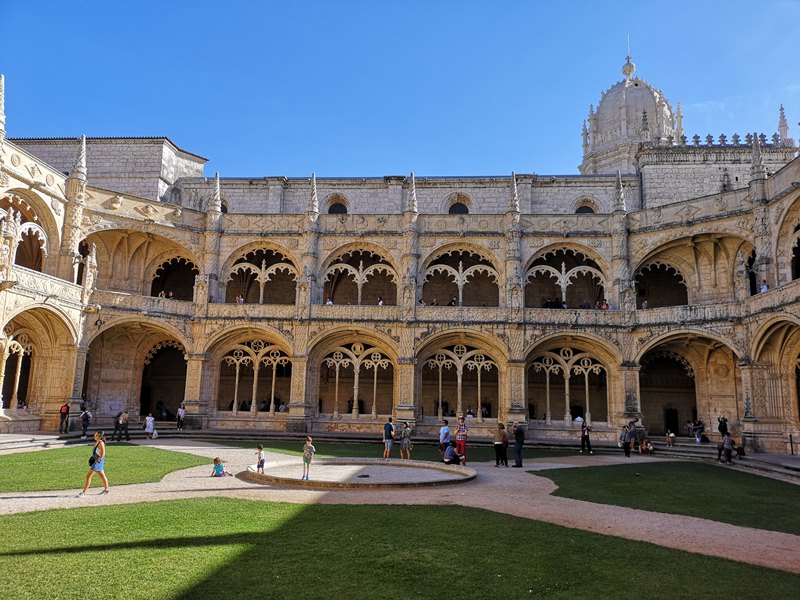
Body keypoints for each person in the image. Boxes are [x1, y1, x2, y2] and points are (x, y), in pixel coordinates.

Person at [78, 431, 110, 497]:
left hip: (98, 461)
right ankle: (106, 490)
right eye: (95, 435)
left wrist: (97, 461)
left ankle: (84, 492)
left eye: (96, 435)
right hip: (97, 461)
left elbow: (103, 454)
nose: (94, 436)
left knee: (88, 476)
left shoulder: (101, 443)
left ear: (100, 437)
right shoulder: (98, 442)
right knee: (102, 475)